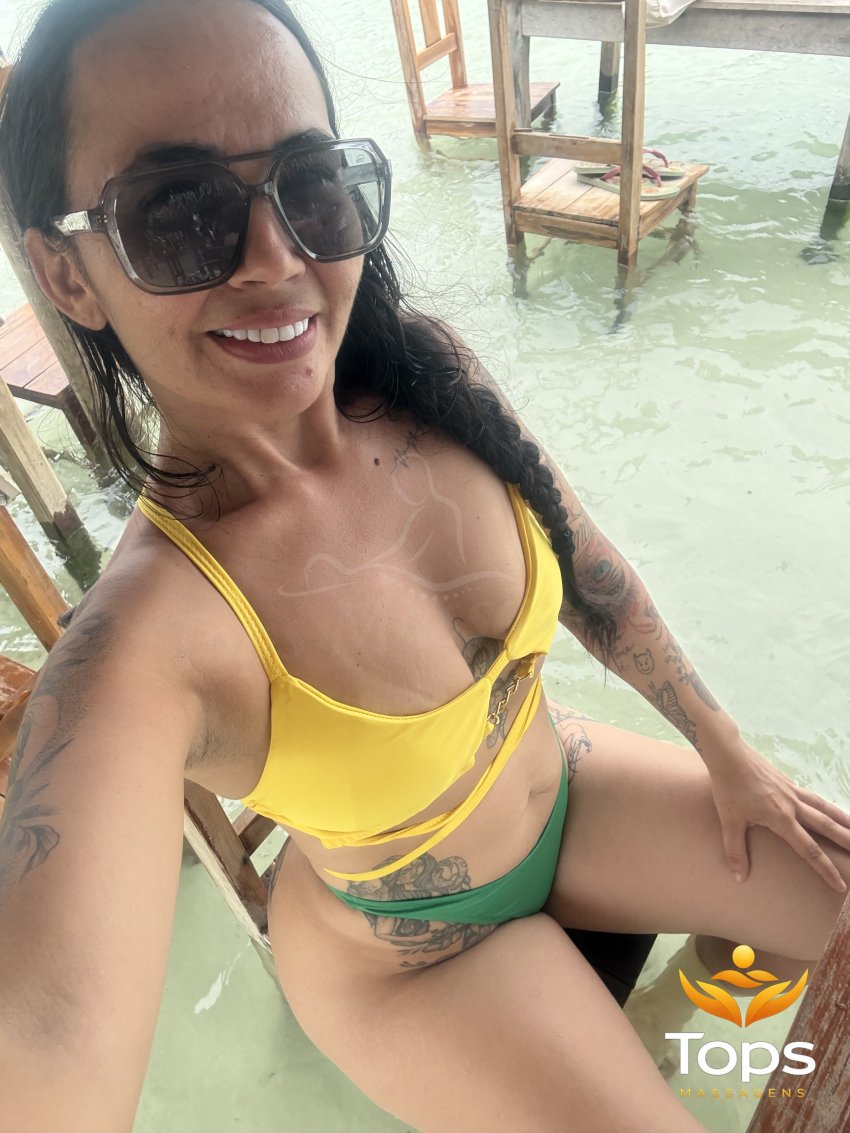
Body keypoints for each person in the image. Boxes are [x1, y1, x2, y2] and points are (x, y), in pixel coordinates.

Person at [0, 1, 847, 1130]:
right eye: (179, 211)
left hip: (568, 789)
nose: (277, 258)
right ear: (66, 274)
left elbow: (588, 565)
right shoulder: (148, 640)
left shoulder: (424, 374)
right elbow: (48, 1029)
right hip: (412, 958)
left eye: (310, 185)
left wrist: (723, 745)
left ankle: (668, 1017)